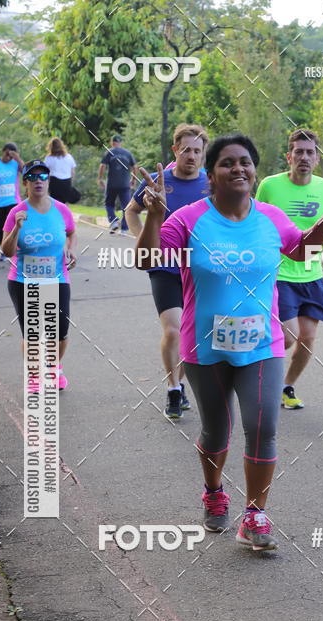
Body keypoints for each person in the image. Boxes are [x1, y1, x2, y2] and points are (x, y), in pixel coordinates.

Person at [135, 134, 323, 550]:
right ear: (211, 174)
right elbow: (146, 260)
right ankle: (214, 490)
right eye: (227, 163)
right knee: (216, 431)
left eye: (245, 163)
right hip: (205, 346)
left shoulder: (271, 217)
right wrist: (153, 217)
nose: (238, 169)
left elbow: (302, 252)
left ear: (254, 172)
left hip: (262, 343)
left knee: (262, 427)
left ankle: (255, 514)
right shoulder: (186, 219)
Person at [256, 129, 323, 409]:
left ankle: (286, 386)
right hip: (280, 273)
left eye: (310, 152)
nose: (304, 157)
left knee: (308, 338)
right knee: (286, 338)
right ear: (289, 156)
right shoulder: (270, 186)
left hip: (312, 275)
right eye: (299, 151)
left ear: (317, 158)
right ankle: (256, 377)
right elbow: (255, 220)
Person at [125, 123, 210, 420]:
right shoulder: (160, 181)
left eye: (197, 151)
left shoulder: (210, 183)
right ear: (175, 149)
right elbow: (130, 211)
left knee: (194, 333)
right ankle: (174, 388)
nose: (191, 155)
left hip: (199, 269)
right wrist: (144, 242)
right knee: (173, 330)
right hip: (164, 265)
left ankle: (181, 379)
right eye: (186, 149)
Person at [1, 160, 77, 391]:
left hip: (57, 278)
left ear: (48, 181)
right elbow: (6, 250)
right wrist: (16, 228)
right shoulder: (16, 212)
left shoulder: (61, 209)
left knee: (60, 332)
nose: (38, 181)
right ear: (25, 183)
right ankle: (34, 375)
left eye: (43, 177)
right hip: (23, 280)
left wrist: (71, 249)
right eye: (32, 177)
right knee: (33, 333)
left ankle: (54, 367)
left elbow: (71, 232)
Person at [0, 143, 24, 261]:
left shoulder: (15, 163)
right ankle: (4, 251)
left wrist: (17, 158)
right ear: (3, 151)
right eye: (7, 153)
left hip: (13, 201)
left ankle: (16, 249)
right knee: (2, 226)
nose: (9, 157)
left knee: (15, 225)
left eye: (11, 155)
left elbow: (26, 171)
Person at [98, 134, 137, 234]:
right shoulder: (128, 153)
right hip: (124, 184)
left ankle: (114, 222)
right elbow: (135, 167)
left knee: (109, 203)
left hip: (111, 184)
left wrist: (100, 178)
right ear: (120, 143)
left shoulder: (109, 152)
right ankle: (124, 229)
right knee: (126, 206)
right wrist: (133, 180)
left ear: (112, 142)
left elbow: (102, 166)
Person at [44, 137, 80, 204]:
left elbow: (45, 172)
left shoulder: (49, 158)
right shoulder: (68, 157)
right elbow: (72, 172)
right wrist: (70, 182)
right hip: (66, 182)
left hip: (54, 182)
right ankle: (65, 213)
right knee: (64, 202)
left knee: (55, 202)